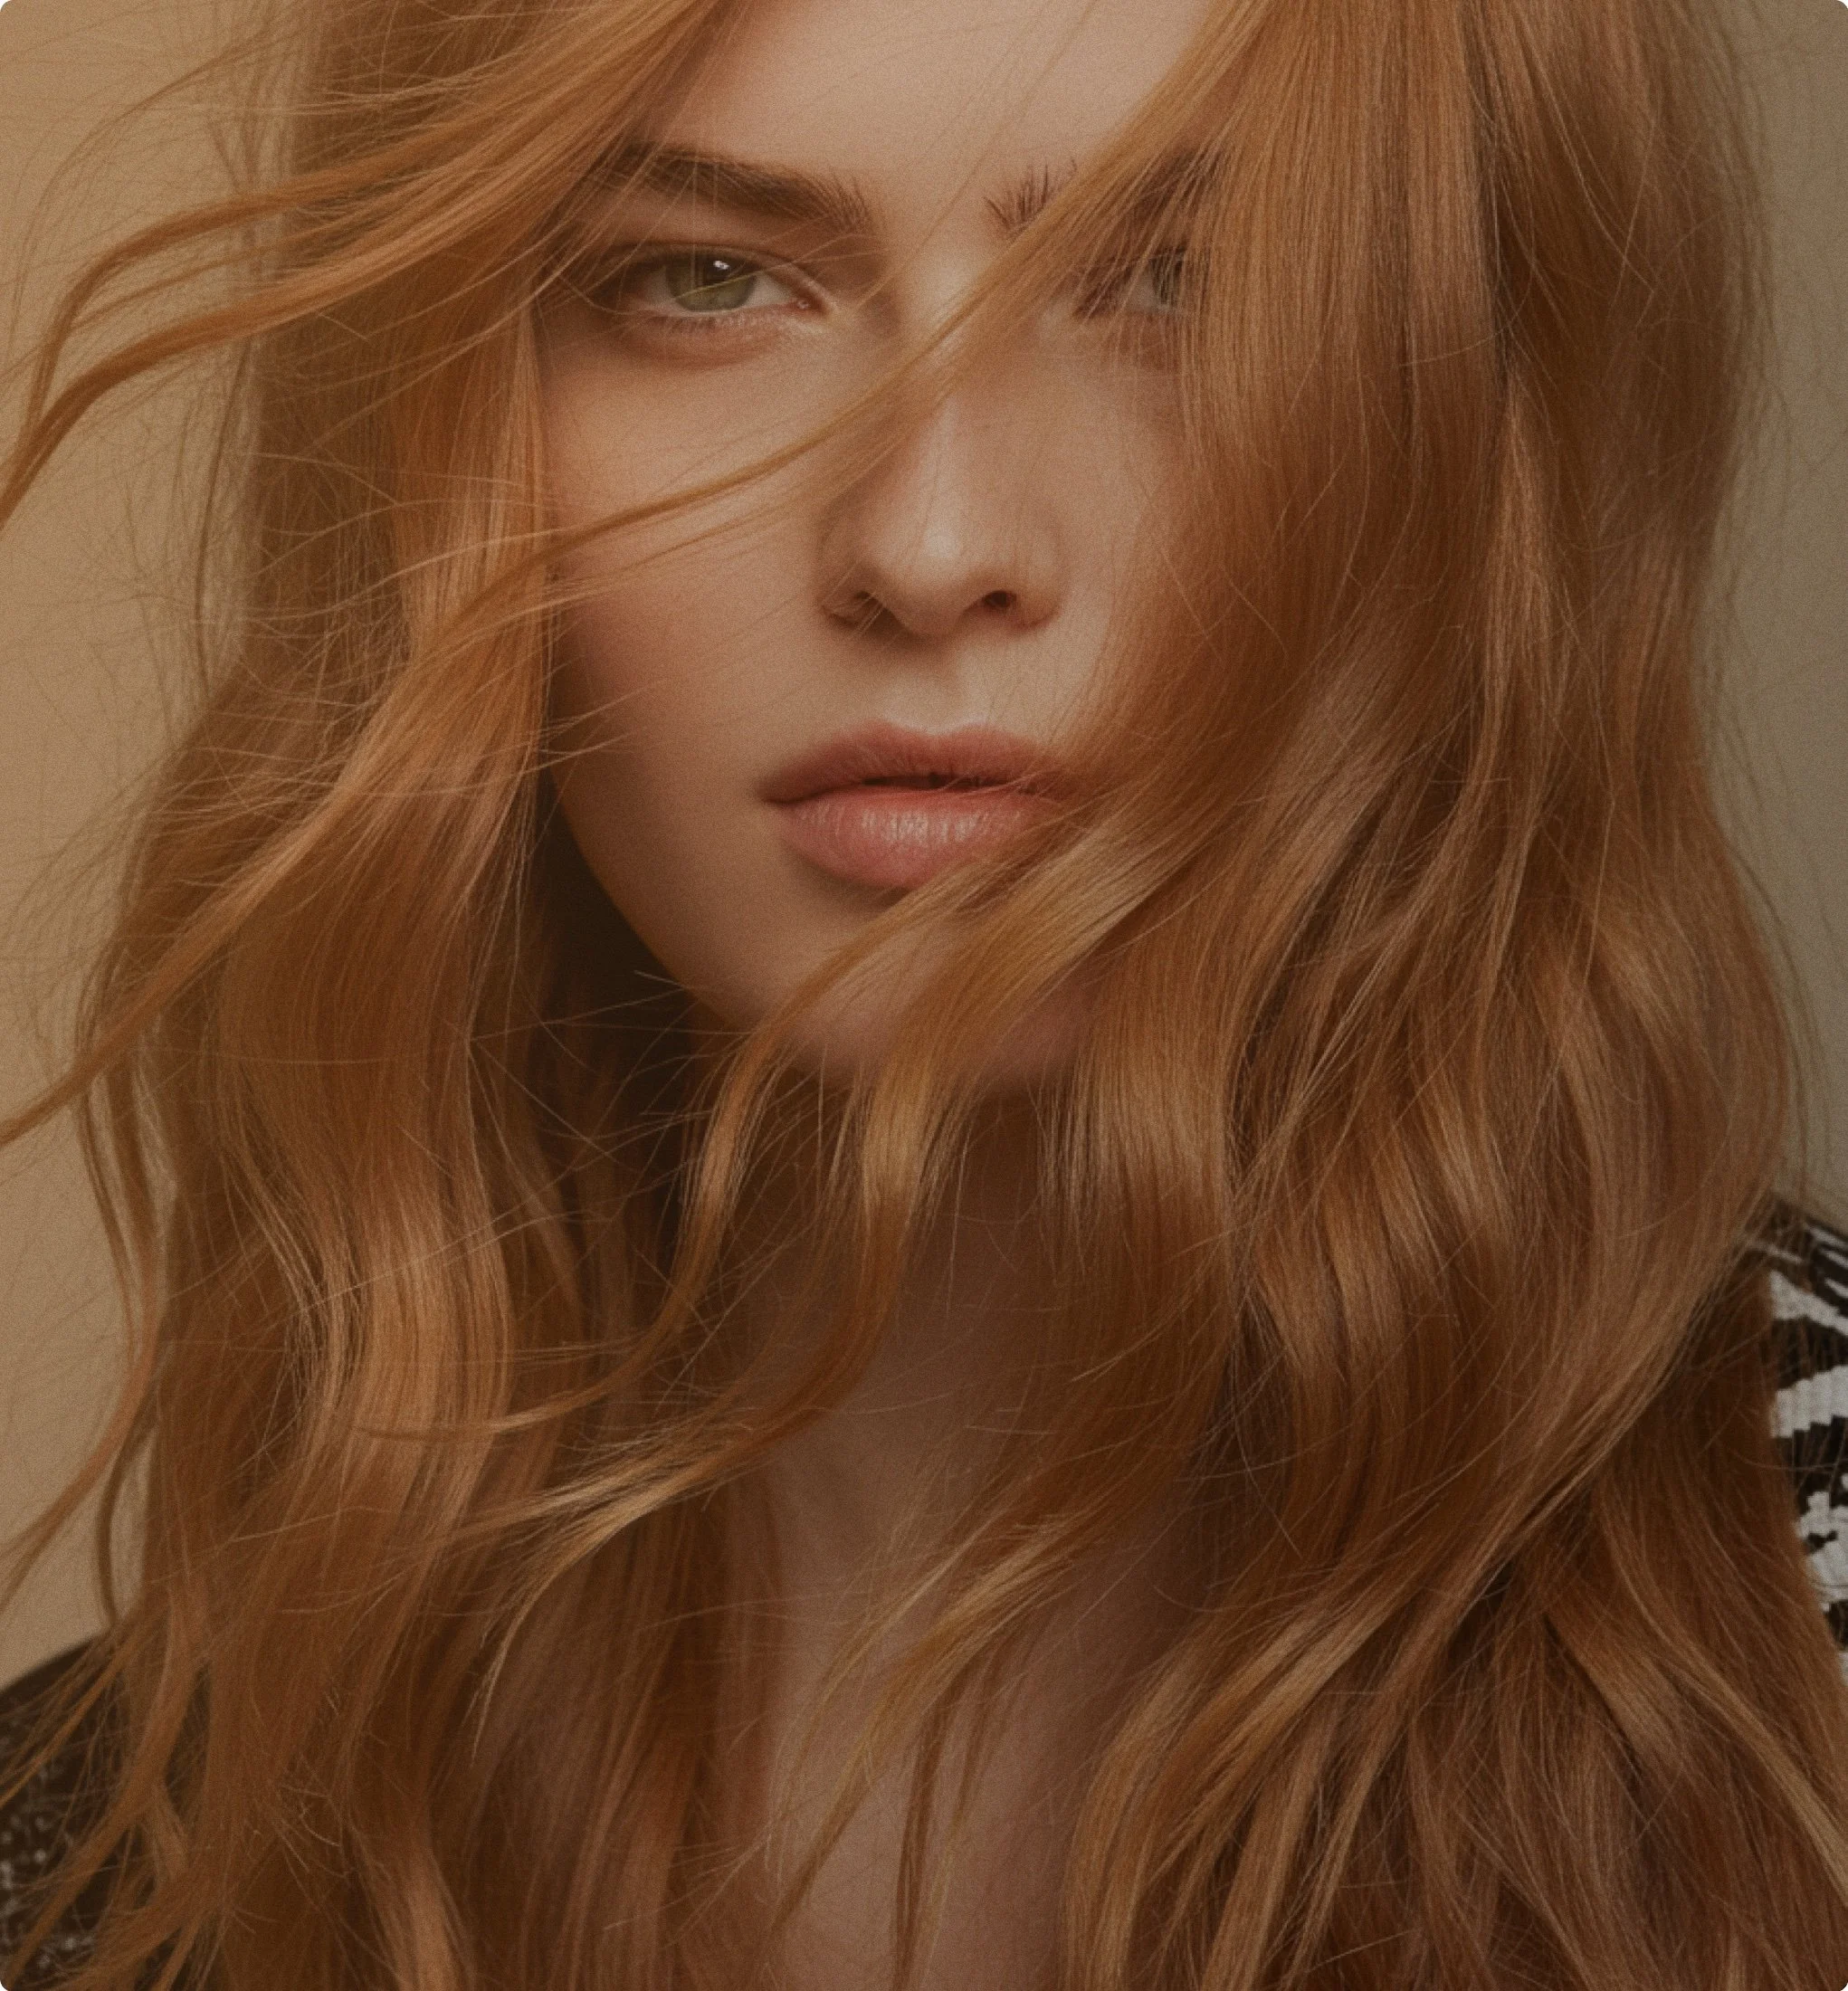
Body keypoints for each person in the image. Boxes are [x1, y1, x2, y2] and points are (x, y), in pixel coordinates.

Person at [2, 0, 1846, 1985]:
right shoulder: (99, 1861)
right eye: (704, 281)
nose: (931, 540)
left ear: (1511, 427)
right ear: (448, 441)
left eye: (1190, 284)